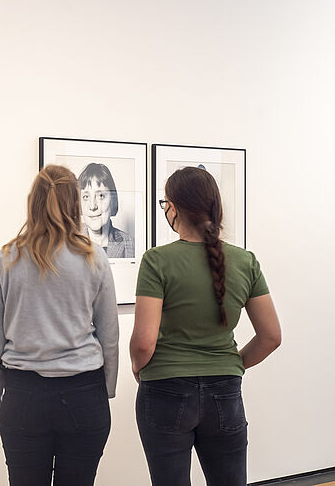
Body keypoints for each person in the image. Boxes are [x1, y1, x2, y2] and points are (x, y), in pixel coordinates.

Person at [130, 166, 281, 486]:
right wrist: (232, 363)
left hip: (165, 388)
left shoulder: (157, 260)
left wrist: (137, 366)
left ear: (173, 206)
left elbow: (144, 342)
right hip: (224, 390)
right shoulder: (245, 260)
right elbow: (270, 336)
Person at [0, 164, 119, 486]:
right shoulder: (93, 257)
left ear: (33, 202)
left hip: (24, 395)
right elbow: (109, 335)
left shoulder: (7, 258)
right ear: (75, 203)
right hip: (84, 395)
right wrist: (106, 390)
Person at [78, 162, 134, 259]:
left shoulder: (130, 244)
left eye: (100, 196)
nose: (92, 206)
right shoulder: (66, 242)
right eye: (86, 197)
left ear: (113, 200)